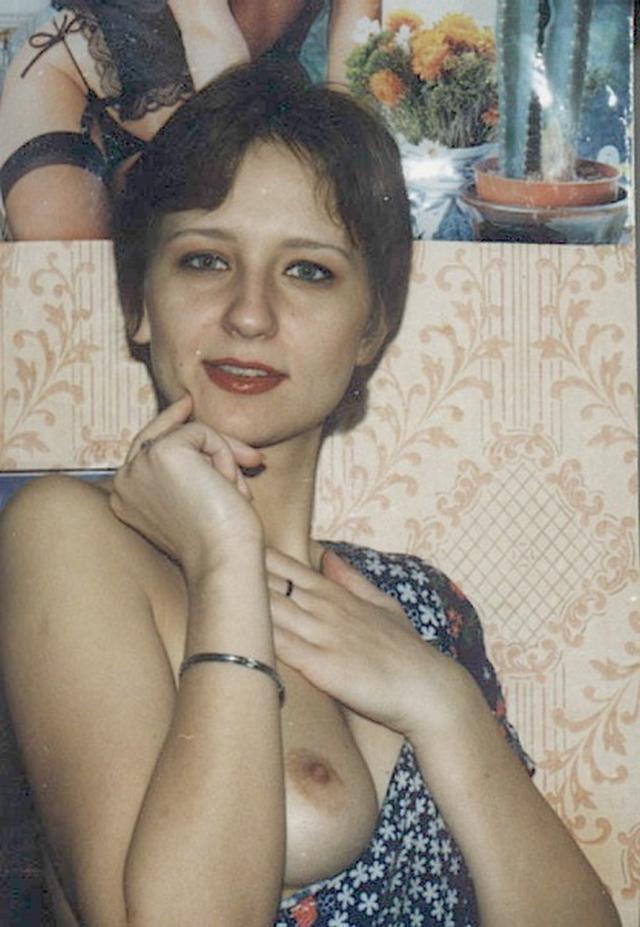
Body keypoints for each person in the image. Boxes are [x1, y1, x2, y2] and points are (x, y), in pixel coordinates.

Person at [0, 58, 621, 927]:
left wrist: (442, 702)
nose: (250, 313)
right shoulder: (67, 538)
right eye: (206, 259)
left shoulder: (419, 606)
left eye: (309, 271)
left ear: (372, 327)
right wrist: (225, 559)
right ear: (140, 302)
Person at [0, 0, 380, 240]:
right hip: (72, 88)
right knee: (76, 276)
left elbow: (356, 65)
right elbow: (207, 28)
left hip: (218, 109)